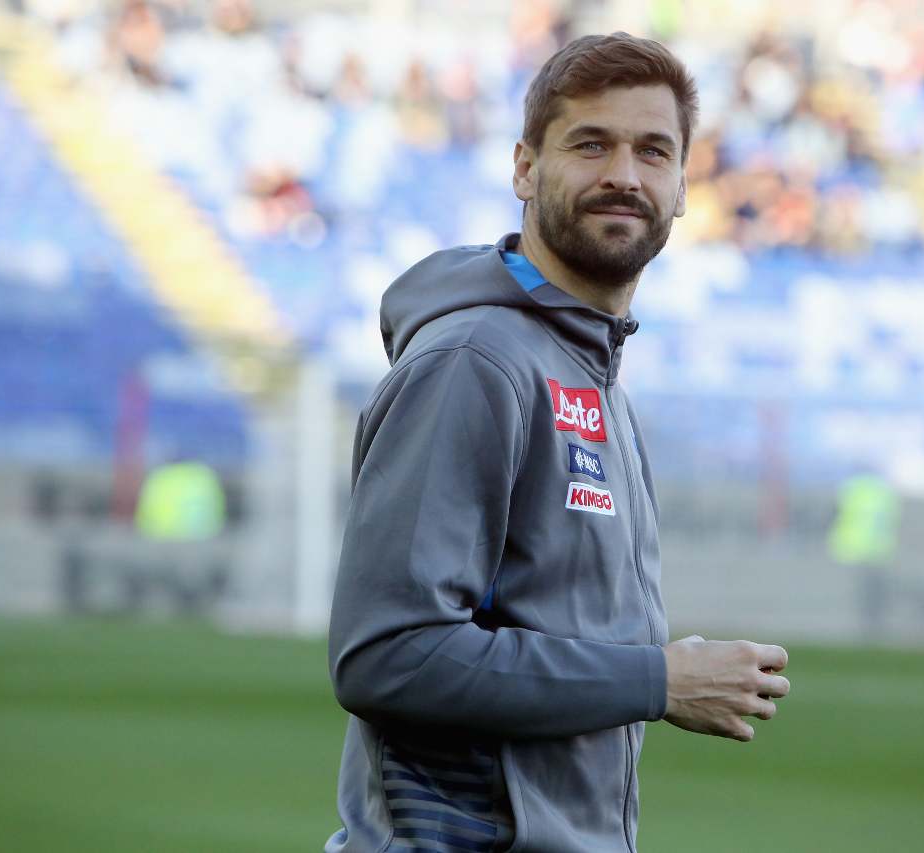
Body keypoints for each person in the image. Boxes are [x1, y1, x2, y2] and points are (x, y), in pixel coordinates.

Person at [325, 33, 790, 853]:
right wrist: (660, 679)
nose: (625, 173)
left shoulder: (595, 378)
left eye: (654, 151)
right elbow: (388, 655)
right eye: (590, 144)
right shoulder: (476, 362)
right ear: (523, 169)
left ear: (683, 187)